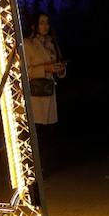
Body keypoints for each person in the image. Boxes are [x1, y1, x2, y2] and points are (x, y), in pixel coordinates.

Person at [24, 12, 66, 171]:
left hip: (50, 92)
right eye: (42, 23)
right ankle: (36, 169)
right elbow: (25, 71)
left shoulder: (52, 43)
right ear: (34, 25)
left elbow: (59, 64)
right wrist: (45, 69)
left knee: (49, 133)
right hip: (36, 95)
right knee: (38, 133)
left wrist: (60, 70)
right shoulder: (28, 44)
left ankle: (46, 166)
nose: (45, 26)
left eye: (47, 23)